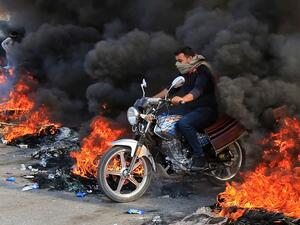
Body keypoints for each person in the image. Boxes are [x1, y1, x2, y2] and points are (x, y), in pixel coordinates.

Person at [154, 46, 218, 167]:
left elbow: (197, 90)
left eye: (180, 61)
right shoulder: (184, 72)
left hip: (206, 110)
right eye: (176, 61)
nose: (177, 64)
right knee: (163, 119)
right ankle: (174, 157)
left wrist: (183, 99)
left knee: (184, 123)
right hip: (190, 110)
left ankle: (199, 157)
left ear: (190, 58)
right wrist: (150, 99)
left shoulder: (202, 70)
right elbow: (169, 89)